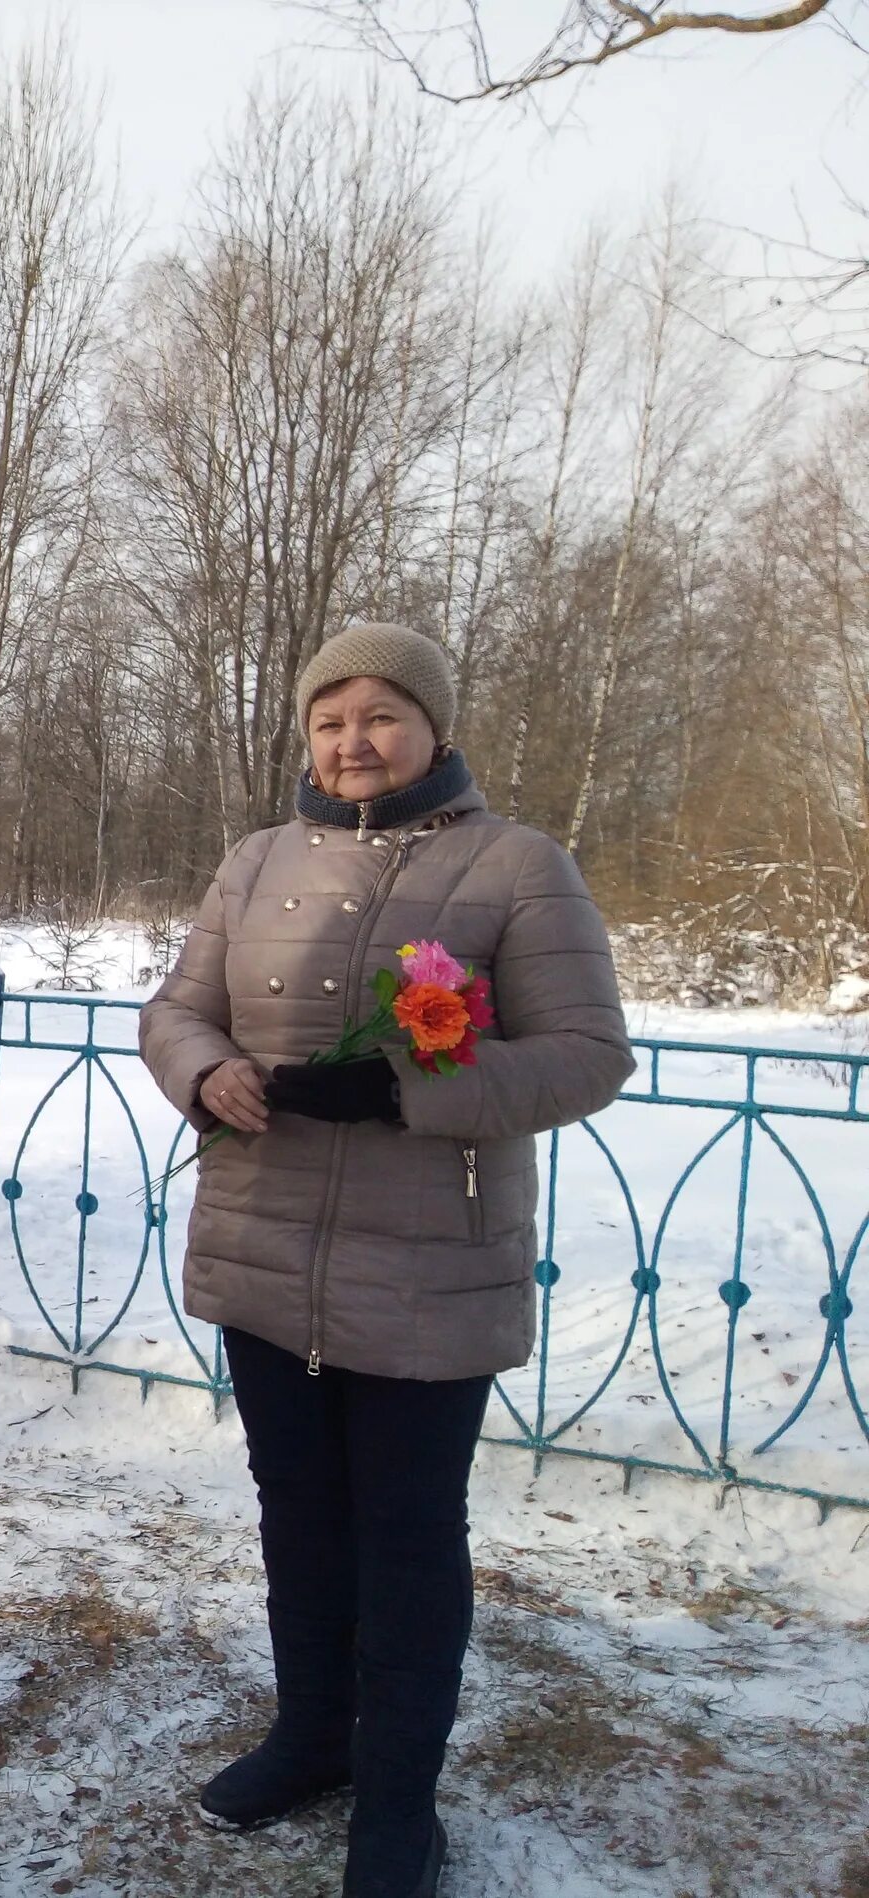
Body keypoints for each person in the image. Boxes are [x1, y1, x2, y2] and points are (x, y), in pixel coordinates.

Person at [139, 623, 632, 1898]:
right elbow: (174, 1008)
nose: (351, 743)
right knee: (297, 1518)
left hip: (426, 1268)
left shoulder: (517, 863)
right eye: (327, 721)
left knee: (407, 1537)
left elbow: (587, 1053)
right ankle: (312, 1737)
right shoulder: (254, 861)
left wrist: (415, 1085)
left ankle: (398, 1799)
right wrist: (209, 1070)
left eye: (379, 716)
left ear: (432, 727)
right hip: (264, 1246)